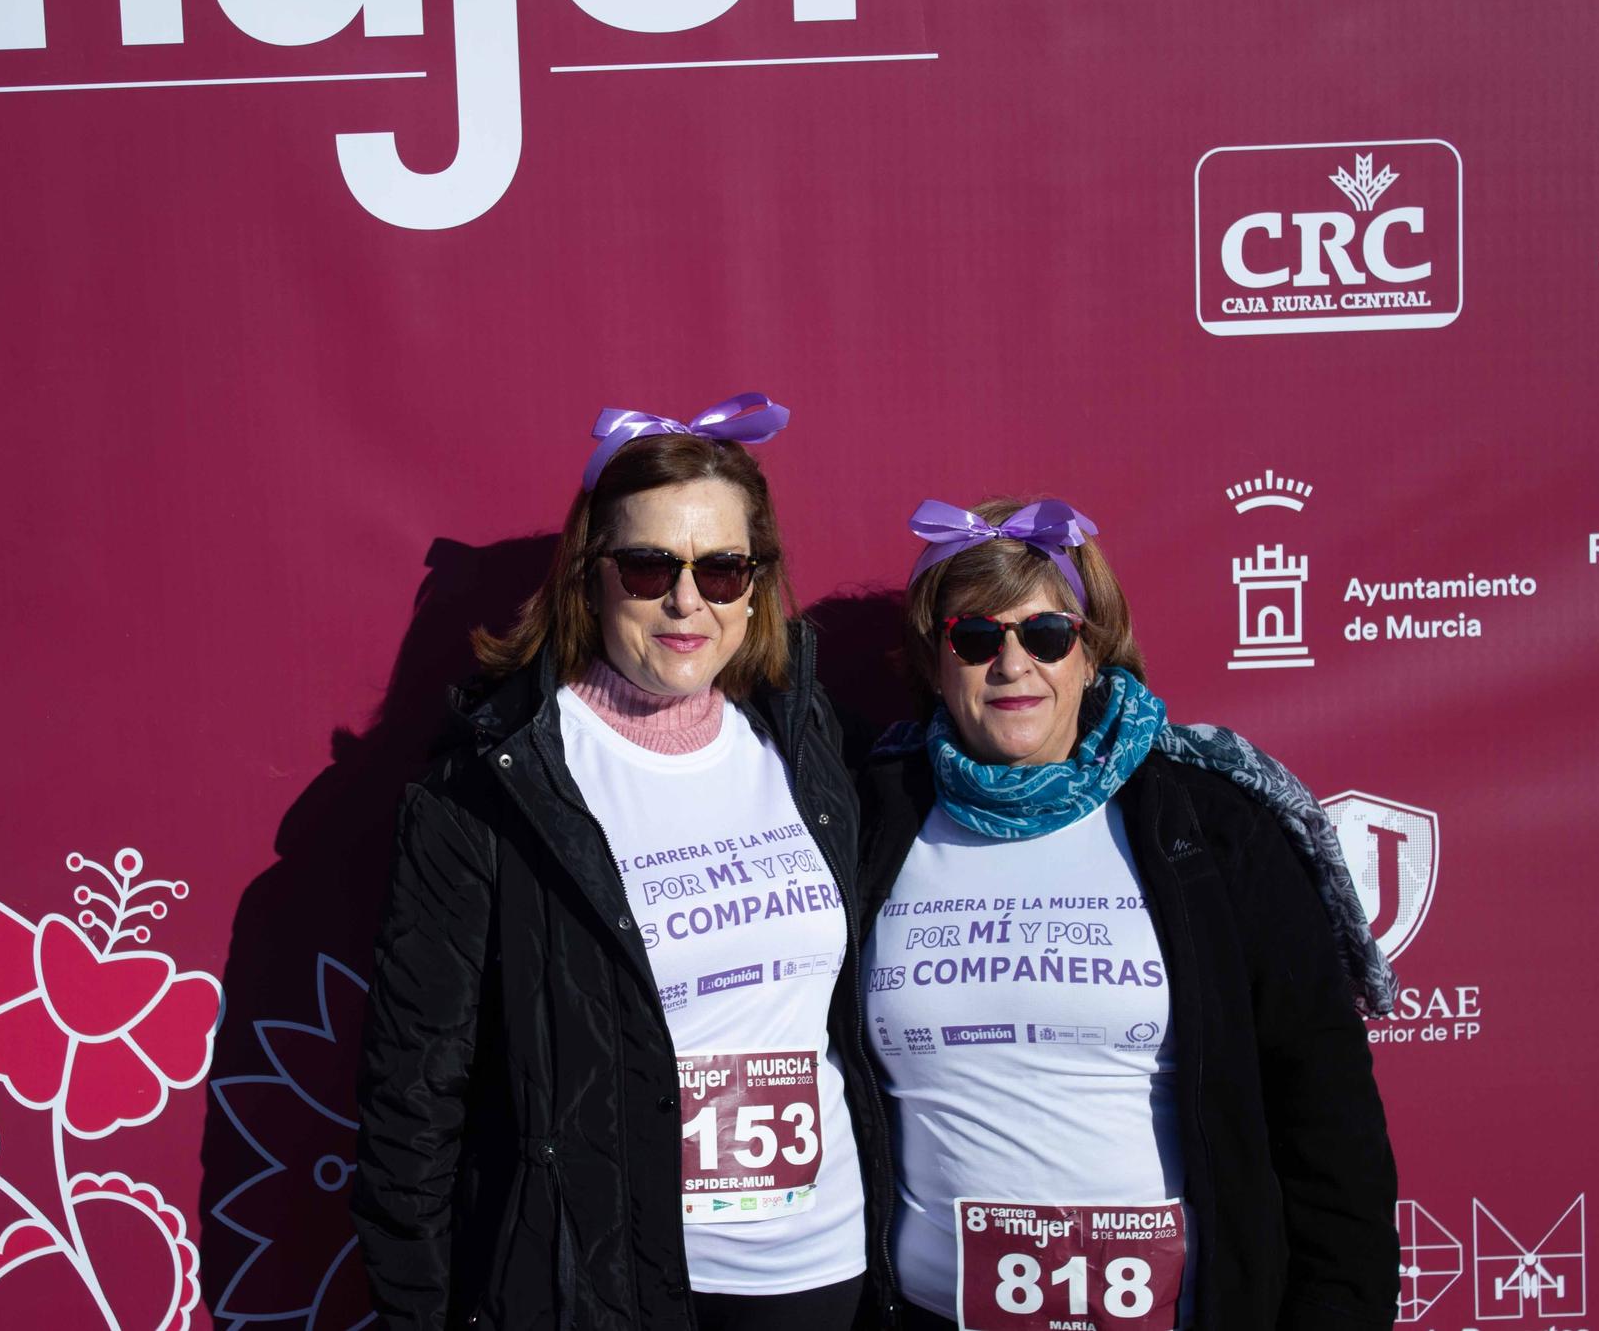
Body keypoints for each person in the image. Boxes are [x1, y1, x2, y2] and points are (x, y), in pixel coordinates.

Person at [352, 396, 898, 1331]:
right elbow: (414, 1100)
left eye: (724, 569)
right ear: (591, 577)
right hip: (605, 1289)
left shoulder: (813, 748)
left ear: (757, 585)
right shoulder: (494, 788)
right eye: (650, 566)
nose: (688, 600)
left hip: (818, 1272)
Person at [856, 496, 1399, 1331]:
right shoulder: (865, 822)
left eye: (1045, 635)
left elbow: (1324, 1111)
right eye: (975, 637)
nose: (1012, 664)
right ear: (935, 661)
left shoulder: (1213, 826)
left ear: (1090, 650)